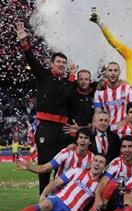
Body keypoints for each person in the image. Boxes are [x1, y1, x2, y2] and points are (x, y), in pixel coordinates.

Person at [15, 22, 75, 194]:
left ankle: (57, 198)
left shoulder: (69, 81)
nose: (62, 64)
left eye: (64, 62)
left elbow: (73, 102)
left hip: (63, 129)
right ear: (52, 63)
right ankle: (43, 197)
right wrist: (24, 42)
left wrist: (72, 79)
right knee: (45, 163)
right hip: (46, 127)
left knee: (61, 164)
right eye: (59, 62)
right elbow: (31, 61)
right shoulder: (44, 75)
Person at [0, 154, 107, 211]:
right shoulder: (77, 171)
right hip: (58, 200)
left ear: (103, 168)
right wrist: (44, 194)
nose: (97, 164)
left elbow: (97, 201)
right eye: (96, 160)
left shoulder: (98, 185)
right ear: (91, 162)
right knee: (46, 204)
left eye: (101, 162)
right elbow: (56, 182)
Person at [86, 136, 132, 211]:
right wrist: (98, 199)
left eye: (130, 146)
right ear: (120, 149)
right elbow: (102, 183)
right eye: (124, 147)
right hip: (115, 199)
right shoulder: (116, 162)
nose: (127, 150)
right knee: (113, 183)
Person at [16, 128, 94, 177]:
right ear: (77, 140)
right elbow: (46, 168)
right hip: (58, 192)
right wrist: (29, 167)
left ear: (90, 141)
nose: (83, 140)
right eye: (80, 137)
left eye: (86, 138)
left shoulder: (92, 159)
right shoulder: (66, 152)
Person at [93, 62, 132, 132]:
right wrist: (95, 125)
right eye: (110, 70)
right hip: (108, 129)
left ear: (119, 72)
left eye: (115, 70)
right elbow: (97, 112)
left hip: (126, 128)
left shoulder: (128, 88)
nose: (112, 73)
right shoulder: (99, 92)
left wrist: (124, 121)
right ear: (106, 73)